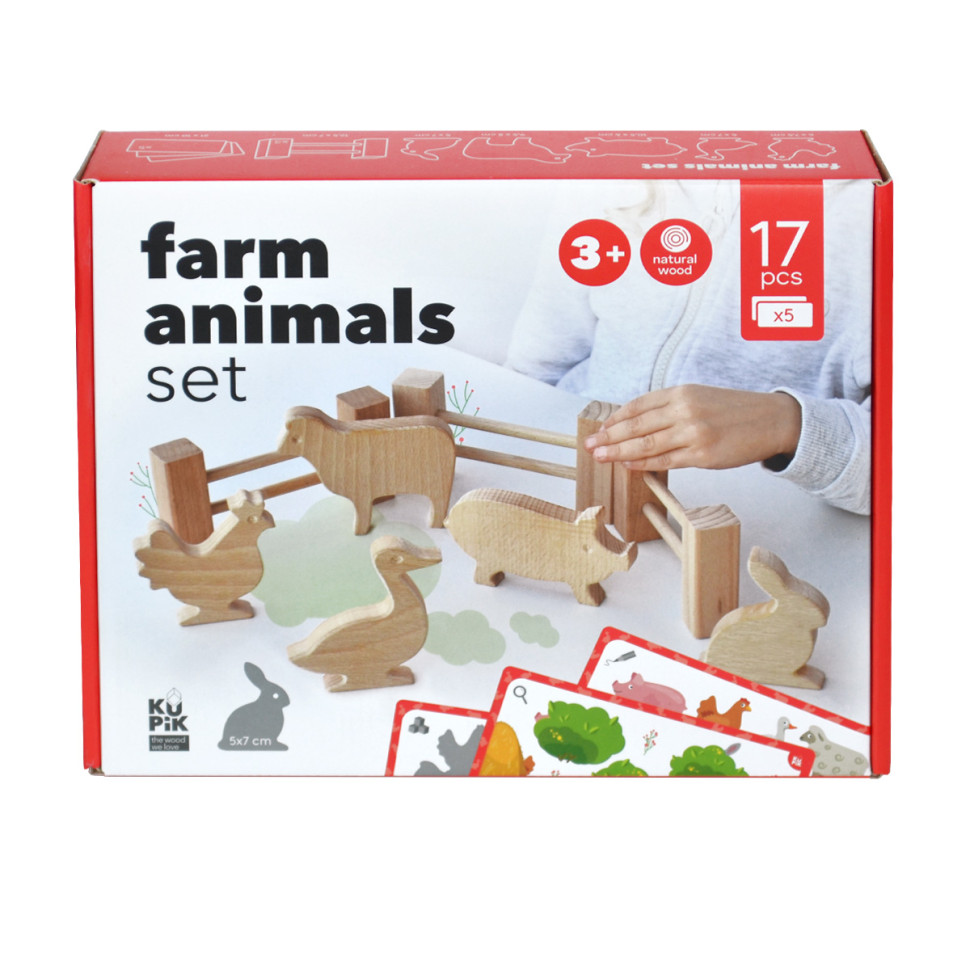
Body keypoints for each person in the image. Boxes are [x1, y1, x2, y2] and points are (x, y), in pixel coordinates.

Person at [505, 179, 872, 515]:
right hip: (571, 480)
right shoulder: (608, 170)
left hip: (761, 519)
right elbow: (533, 369)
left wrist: (785, 424)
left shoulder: (875, 213)